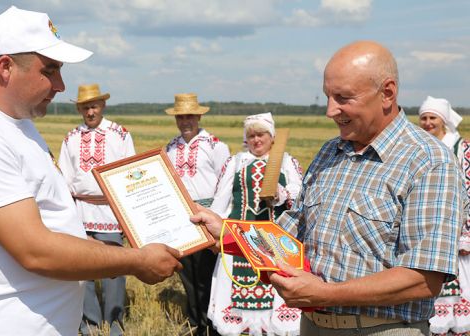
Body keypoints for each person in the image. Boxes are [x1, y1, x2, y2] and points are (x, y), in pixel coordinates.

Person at [0, 6, 182, 336]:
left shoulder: (19, 124)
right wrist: (136, 261)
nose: (61, 85)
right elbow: (36, 251)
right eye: (50, 70)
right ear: (6, 67)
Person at [192, 40, 468, 335]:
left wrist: (325, 294)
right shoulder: (329, 152)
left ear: (387, 93)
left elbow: (424, 277)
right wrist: (228, 233)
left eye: (343, 97)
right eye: (327, 96)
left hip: (383, 329)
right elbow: (288, 233)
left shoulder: (428, 161)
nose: (330, 110)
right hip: (313, 326)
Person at [207, 113, 303, 335]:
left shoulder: (286, 161)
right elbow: (222, 199)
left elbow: (300, 196)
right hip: (239, 240)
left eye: (261, 135)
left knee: (274, 290)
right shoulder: (236, 161)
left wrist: (282, 194)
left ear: (272, 137)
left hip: (275, 241)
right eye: (251, 136)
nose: (256, 140)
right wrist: (214, 232)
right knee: (239, 294)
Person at [58, 83, 135, 336]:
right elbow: (64, 178)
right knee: (82, 270)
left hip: (110, 210)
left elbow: (128, 175)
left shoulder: (120, 134)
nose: (90, 112)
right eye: (85, 107)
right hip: (80, 209)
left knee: (114, 268)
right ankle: (89, 323)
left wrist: (127, 215)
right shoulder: (71, 138)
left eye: (94, 106)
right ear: (79, 109)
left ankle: (114, 322)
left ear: (102, 105)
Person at [165, 93, 230, 336]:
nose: (185, 121)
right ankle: (196, 323)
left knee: (208, 273)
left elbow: (224, 185)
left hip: (207, 215)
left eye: (190, 116)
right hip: (180, 216)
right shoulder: (170, 148)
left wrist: (218, 219)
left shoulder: (216, 146)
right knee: (187, 274)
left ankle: (213, 323)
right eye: (181, 117)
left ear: (199, 116)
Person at [418, 96, 470, 335]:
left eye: (432, 118)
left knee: (456, 299)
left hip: (457, 232)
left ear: (444, 121)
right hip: (427, 231)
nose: (428, 123)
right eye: (424, 118)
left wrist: (466, 233)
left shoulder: (462, 148)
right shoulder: (419, 148)